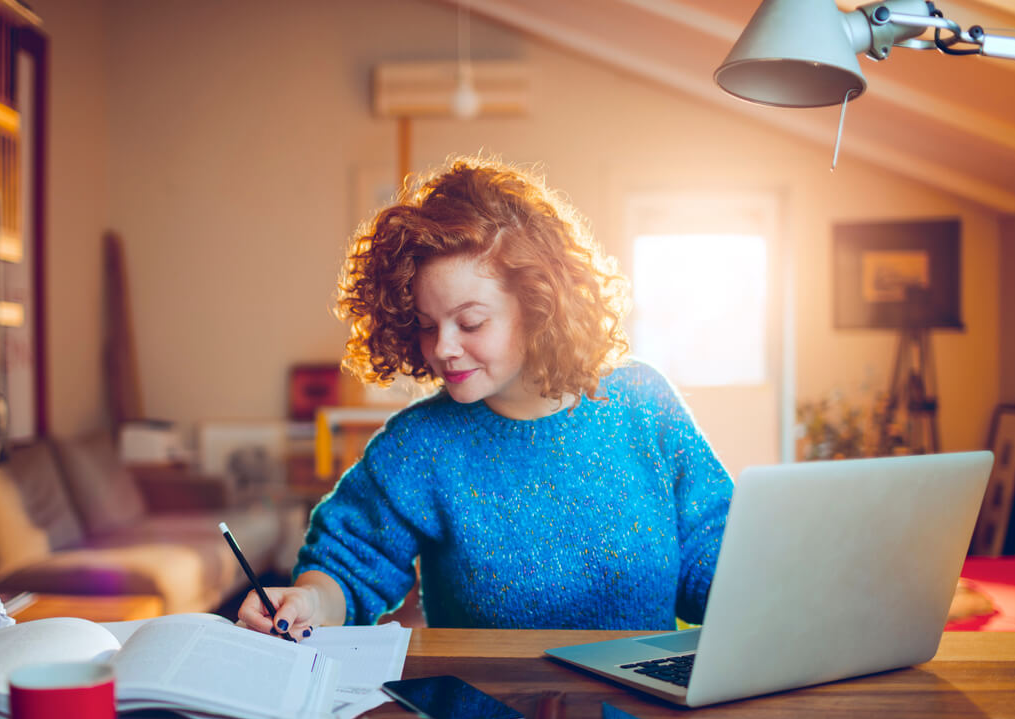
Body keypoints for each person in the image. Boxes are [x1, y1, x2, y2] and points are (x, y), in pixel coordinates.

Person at [239, 156, 733, 635]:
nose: (443, 349)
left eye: (470, 322)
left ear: (540, 305)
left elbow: (714, 562)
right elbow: (344, 568)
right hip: (491, 715)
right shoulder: (420, 444)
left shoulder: (644, 403)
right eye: (427, 326)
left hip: (644, 709)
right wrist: (307, 600)